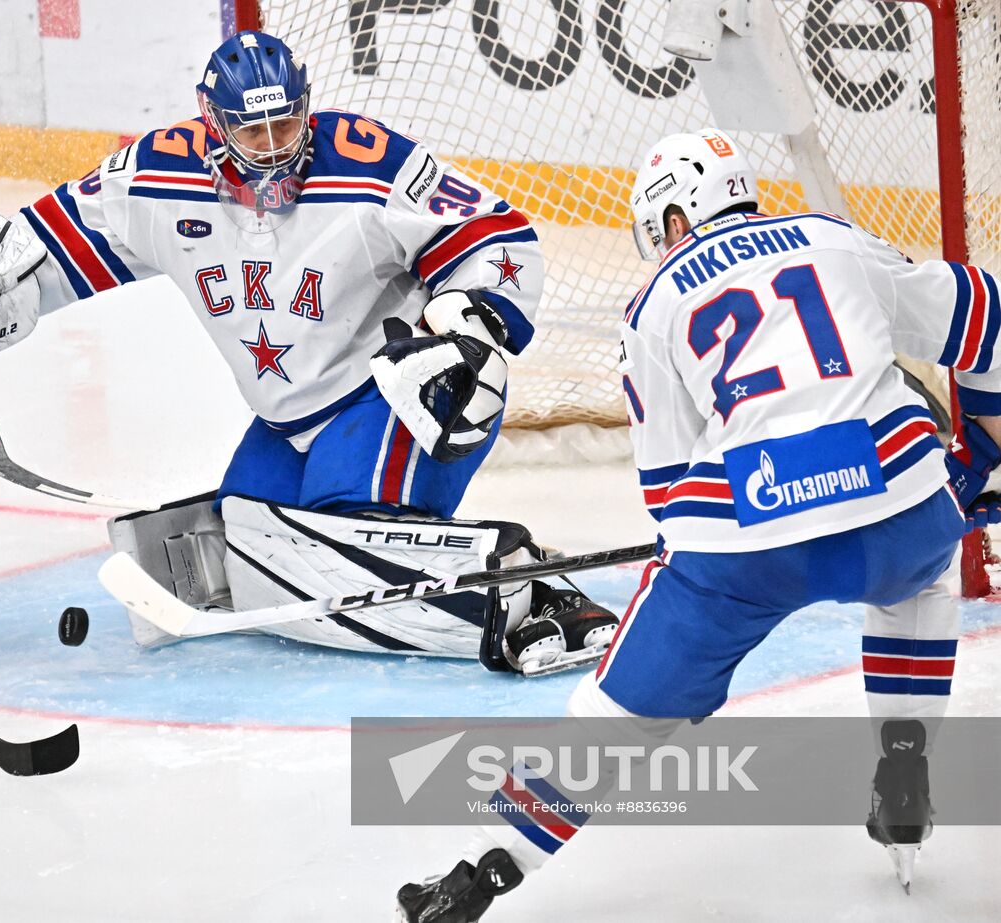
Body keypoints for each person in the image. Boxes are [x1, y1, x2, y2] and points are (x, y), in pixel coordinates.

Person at [0, 29, 617, 672]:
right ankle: (416, 570)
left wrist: (469, 324)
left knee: (328, 555)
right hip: (287, 418)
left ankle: (528, 594)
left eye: (286, 126)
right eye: (252, 133)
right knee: (248, 535)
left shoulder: (370, 163)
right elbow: (47, 248)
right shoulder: (158, 175)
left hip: (402, 397)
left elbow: (496, 234)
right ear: (212, 121)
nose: (272, 150)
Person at [394, 127, 1001, 919]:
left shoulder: (652, 304)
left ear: (677, 219)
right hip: (901, 501)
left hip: (749, 551)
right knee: (919, 571)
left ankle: (490, 869)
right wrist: (981, 451)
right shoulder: (834, 237)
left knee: (618, 713)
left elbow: (668, 487)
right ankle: (906, 758)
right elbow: (985, 317)